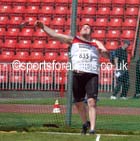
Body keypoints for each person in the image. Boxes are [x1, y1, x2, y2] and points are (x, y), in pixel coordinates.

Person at [35, 21, 109, 134]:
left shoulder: (96, 42)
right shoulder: (74, 40)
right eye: (84, 27)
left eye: (88, 27)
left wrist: (103, 51)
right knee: (78, 103)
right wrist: (43, 26)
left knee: (91, 102)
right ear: (80, 32)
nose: (86, 28)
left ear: (91, 32)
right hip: (77, 75)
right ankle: (85, 123)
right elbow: (54, 35)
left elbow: (106, 54)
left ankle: (93, 129)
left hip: (91, 74)